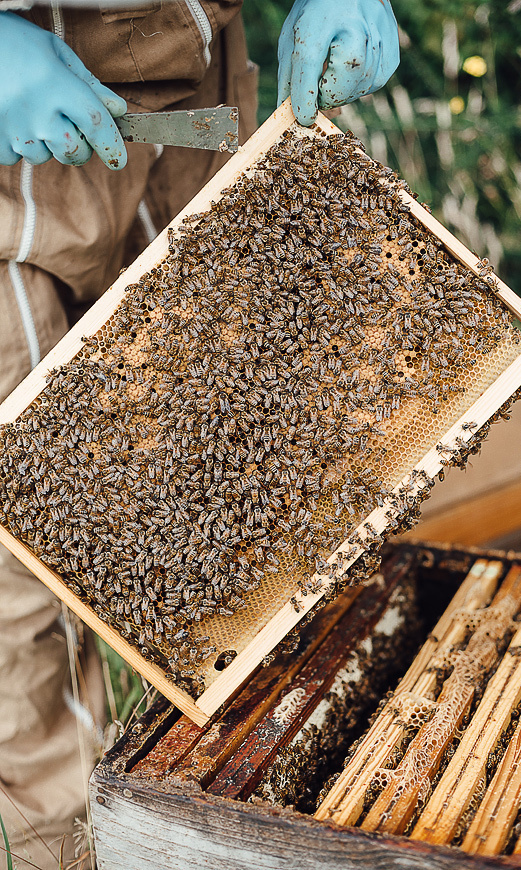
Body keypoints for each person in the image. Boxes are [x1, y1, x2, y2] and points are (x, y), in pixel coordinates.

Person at [0, 1, 399, 866]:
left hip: (191, 103)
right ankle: (58, 851)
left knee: (242, 514)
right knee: (13, 595)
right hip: (9, 158)